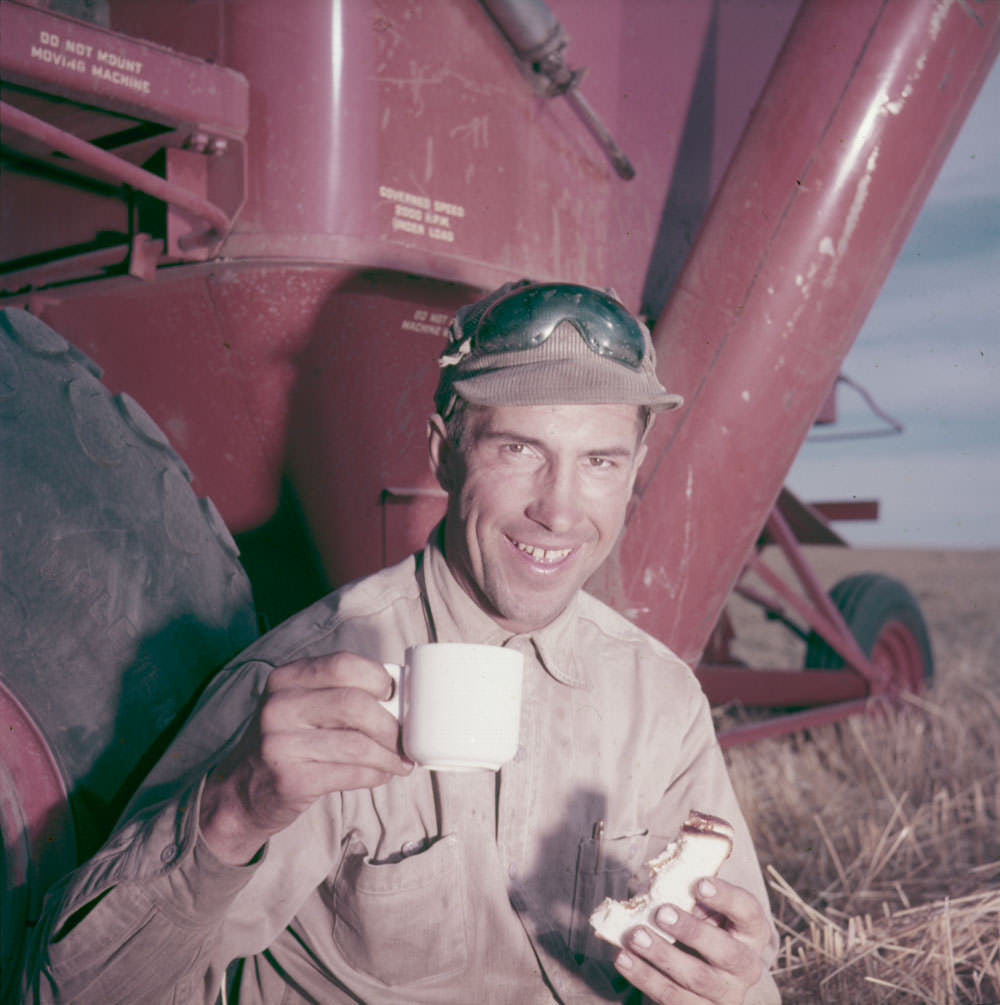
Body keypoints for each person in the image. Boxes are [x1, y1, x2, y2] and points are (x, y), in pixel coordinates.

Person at [22, 280, 781, 1004]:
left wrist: (729, 983)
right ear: (443, 452)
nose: (558, 508)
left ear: (636, 471)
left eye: (600, 462)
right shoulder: (306, 678)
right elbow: (72, 992)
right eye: (518, 450)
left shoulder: (661, 698)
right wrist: (234, 807)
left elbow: (742, 970)